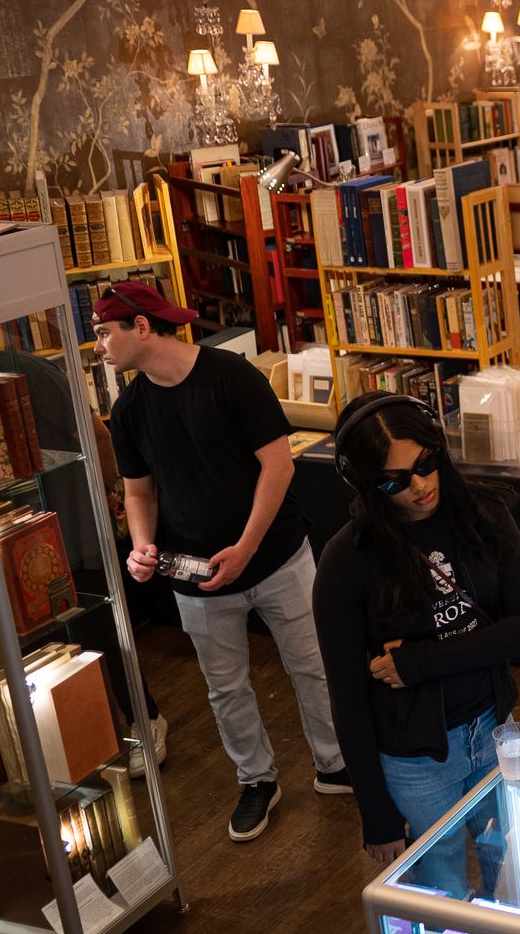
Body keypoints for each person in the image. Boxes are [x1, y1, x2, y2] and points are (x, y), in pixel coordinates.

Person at [96, 281, 349, 844]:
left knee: (312, 666)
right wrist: (142, 544)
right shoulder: (130, 409)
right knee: (225, 687)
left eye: (104, 331)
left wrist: (248, 547)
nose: (99, 345)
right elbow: (139, 492)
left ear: (141, 327)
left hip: (278, 557)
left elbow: (278, 467)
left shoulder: (233, 378)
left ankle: (335, 765)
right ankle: (256, 781)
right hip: (194, 574)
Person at [312, 393, 520, 898]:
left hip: (493, 730)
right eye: (395, 480)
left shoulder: (486, 513)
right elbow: (347, 697)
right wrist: (374, 812)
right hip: (413, 761)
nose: (420, 486)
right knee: (442, 891)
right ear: (365, 484)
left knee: (513, 874)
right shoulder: (347, 561)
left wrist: (418, 661)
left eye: (425, 464)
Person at [0, 331, 167, 773]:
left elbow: (97, 437)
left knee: (100, 633)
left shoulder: (27, 370)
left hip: (73, 527)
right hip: (18, 533)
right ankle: (84, 740)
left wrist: (108, 495)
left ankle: (145, 721)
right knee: (51, 648)